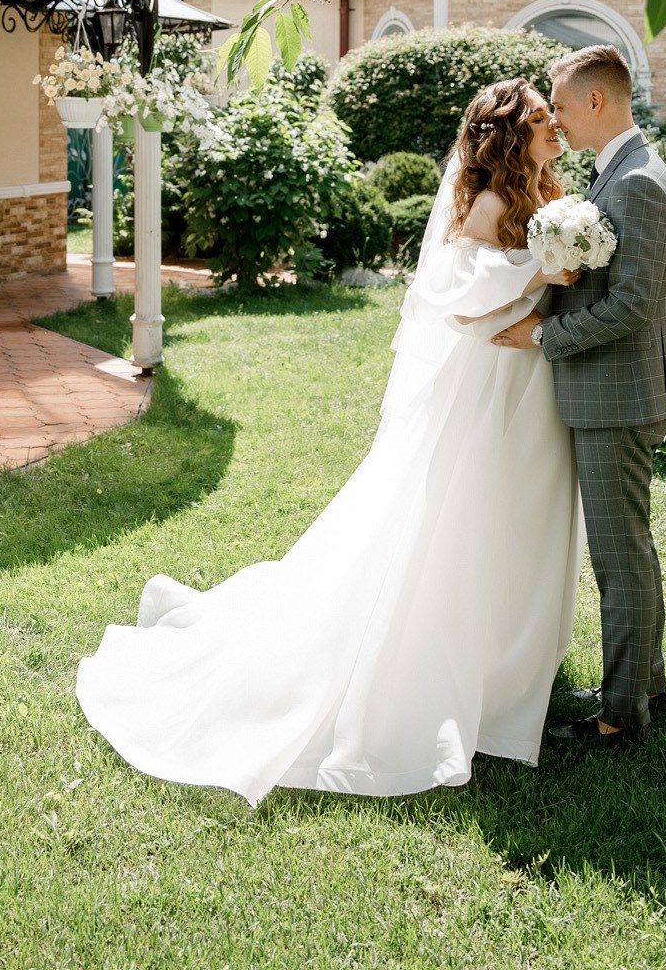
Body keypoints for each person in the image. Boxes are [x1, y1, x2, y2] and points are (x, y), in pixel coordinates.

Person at [75, 79, 583, 804]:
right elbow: (451, 294)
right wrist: (542, 267)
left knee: (510, 523)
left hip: (527, 386)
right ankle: (453, 668)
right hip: (489, 387)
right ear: (510, 134)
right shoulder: (496, 204)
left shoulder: (546, 197)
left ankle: (505, 668)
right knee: (459, 525)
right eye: (540, 120)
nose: (553, 127)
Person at [493, 44, 666, 748]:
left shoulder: (635, 182)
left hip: (618, 398)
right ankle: (642, 685)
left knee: (619, 557)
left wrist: (546, 337)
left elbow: (633, 303)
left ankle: (620, 715)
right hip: (622, 394)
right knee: (629, 550)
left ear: (597, 101)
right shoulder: (625, 171)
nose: (560, 121)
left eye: (564, 106)